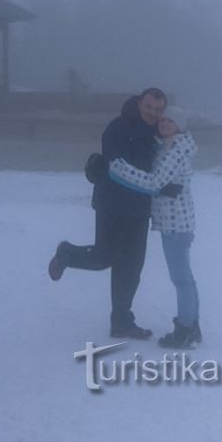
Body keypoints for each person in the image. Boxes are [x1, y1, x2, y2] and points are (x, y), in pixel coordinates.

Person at [47, 88, 168, 340]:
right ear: (139, 103)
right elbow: (117, 169)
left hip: (138, 210)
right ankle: (66, 254)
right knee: (104, 257)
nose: (153, 114)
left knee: (131, 267)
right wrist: (156, 185)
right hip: (111, 205)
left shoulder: (157, 133)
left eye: (158, 110)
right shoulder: (118, 128)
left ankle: (121, 321)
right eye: (149, 107)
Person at [108, 106, 200, 349]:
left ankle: (185, 329)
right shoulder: (170, 146)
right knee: (186, 278)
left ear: (180, 126)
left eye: (172, 121)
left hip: (176, 225)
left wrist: (121, 169)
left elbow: (154, 182)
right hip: (178, 223)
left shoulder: (175, 150)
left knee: (181, 279)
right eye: (163, 119)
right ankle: (193, 325)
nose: (165, 123)